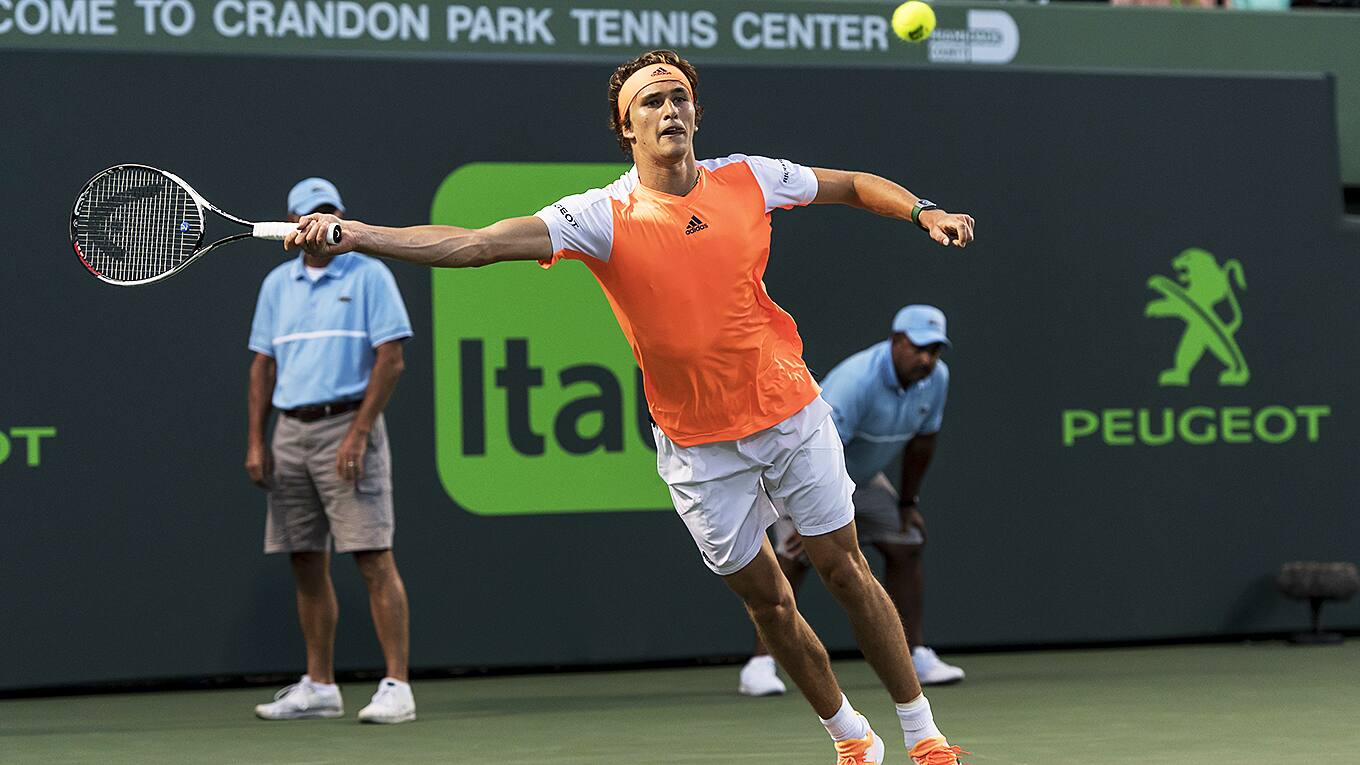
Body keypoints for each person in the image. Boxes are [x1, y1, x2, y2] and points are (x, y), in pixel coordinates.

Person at [285, 50, 975, 763]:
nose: (668, 109)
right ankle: (850, 737)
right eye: (650, 102)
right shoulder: (601, 214)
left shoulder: (750, 178)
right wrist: (361, 233)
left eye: (678, 97)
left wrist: (923, 210)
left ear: (696, 113)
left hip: (789, 411)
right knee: (769, 603)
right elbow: (477, 244)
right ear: (626, 129)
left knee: (844, 569)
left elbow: (855, 185)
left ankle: (923, 735)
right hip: (697, 446)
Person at [246, 178, 416, 724]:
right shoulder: (277, 285)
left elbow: (390, 360)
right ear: (294, 227)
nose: (319, 223)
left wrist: (359, 433)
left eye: (328, 212)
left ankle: (397, 687)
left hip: (347, 427)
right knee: (304, 560)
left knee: (371, 557)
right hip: (289, 433)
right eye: (309, 216)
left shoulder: (370, 274)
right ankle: (320, 685)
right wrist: (257, 439)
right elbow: (262, 366)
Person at [739, 305, 965, 699]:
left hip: (861, 476)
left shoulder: (936, 379)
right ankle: (760, 664)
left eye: (935, 351)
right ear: (896, 342)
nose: (927, 359)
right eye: (919, 348)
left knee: (907, 542)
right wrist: (793, 513)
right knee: (792, 555)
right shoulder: (855, 381)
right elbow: (813, 453)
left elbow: (923, 441)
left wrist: (908, 502)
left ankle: (916, 654)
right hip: (806, 468)